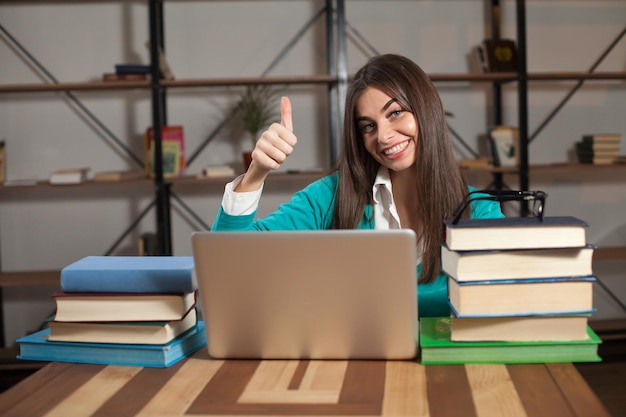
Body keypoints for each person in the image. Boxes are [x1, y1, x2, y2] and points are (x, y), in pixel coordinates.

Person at [212, 54, 504, 317]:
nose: (384, 136)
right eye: (368, 126)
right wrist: (256, 173)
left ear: (426, 111)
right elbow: (227, 264)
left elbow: (502, 297)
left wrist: (339, 295)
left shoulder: (477, 210)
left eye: (395, 113)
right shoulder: (331, 196)